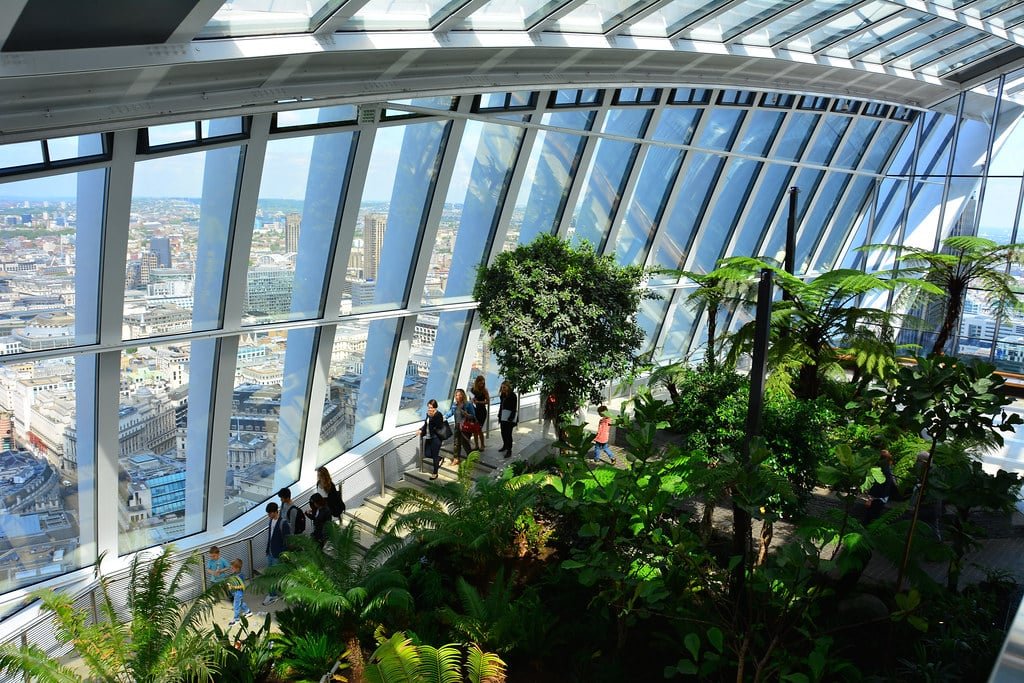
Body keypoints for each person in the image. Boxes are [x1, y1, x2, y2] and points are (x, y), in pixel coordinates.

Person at [262, 501, 290, 605]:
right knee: (270, 574)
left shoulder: (283, 523)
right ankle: (273, 593)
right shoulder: (271, 522)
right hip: (270, 552)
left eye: (270, 513)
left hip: (277, 553)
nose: (269, 515)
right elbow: (270, 537)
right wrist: (267, 550)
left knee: (273, 575)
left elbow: (287, 540)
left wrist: (282, 553)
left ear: (275, 512)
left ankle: (272, 595)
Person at [864, 449, 897, 524]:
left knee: (871, 518)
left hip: (879, 498)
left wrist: (870, 498)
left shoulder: (883, 470)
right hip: (879, 498)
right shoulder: (885, 471)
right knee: (872, 518)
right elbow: (878, 485)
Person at [445, 388, 475, 466]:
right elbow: (450, 412)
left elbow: (473, 416)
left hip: (465, 427)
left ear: (462, 396)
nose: (457, 397)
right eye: (456, 395)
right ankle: (456, 458)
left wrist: (467, 415)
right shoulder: (455, 405)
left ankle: (470, 457)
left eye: (459, 395)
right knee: (456, 443)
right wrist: (444, 417)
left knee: (465, 443)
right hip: (457, 426)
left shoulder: (468, 404)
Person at [420, 398, 445, 480]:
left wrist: (432, 417)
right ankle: (439, 458)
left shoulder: (438, 415)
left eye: (431, 407)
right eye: (429, 407)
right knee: (427, 454)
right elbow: (425, 424)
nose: (429, 409)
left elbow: (439, 426)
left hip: (436, 438)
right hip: (428, 437)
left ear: (435, 407)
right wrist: (421, 430)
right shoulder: (428, 414)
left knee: (434, 455)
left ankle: (435, 473)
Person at [225, 558, 253, 626]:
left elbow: (242, 586)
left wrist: (232, 587)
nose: (231, 569)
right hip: (235, 593)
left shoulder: (240, 576)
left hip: (238, 593)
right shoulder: (235, 574)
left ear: (237, 568)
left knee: (236, 606)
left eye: (232, 568)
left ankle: (236, 619)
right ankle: (248, 611)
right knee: (241, 603)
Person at [470, 375, 490, 450]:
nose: (481, 385)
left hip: (482, 411)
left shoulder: (484, 390)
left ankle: (482, 445)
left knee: (479, 429)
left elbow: (488, 401)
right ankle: (476, 445)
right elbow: (471, 399)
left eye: (483, 383)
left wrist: (479, 402)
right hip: (475, 411)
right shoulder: (473, 390)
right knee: (474, 429)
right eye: (480, 383)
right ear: (477, 382)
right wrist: (473, 400)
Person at [497, 382, 517, 457]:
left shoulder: (513, 395)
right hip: (503, 416)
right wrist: (499, 415)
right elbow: (501, 405)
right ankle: (505, 445)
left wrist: (511, 417)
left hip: (509, 417)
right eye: (502, 387)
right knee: (503, 432)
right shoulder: (502, 395)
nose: (503, 389)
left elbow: (514, 408)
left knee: (508, 434)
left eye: (504, 387)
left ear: (508, 387)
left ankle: (509, 449)